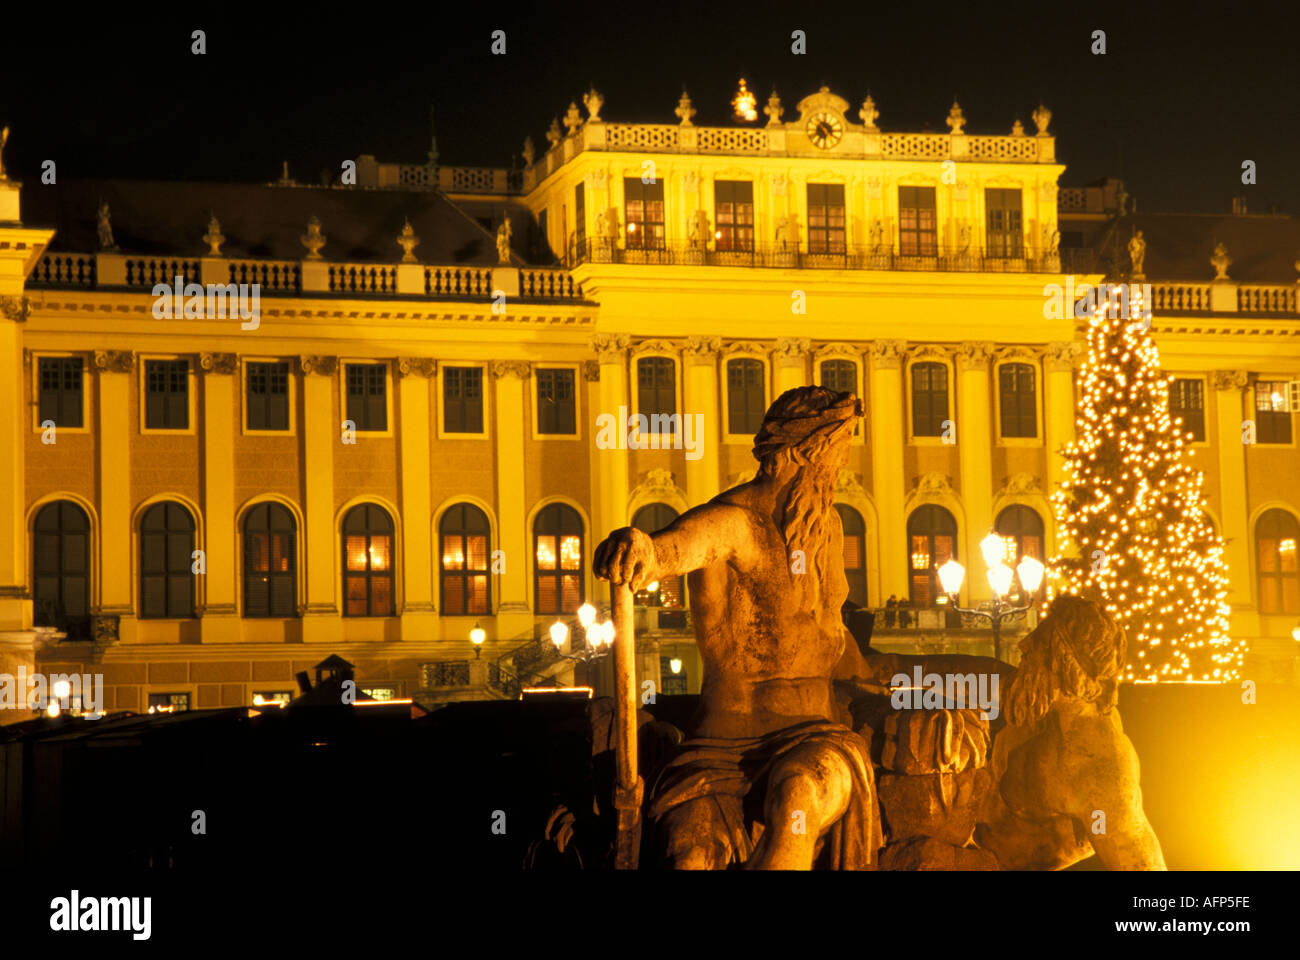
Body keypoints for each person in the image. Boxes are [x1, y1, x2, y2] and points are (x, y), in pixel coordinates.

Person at [594, 387, 882, 869]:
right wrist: (641, 549)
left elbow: (833, 636)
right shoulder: (735, 522)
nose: (842, 469)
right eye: (835, 456)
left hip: (816, 739)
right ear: (798, 453)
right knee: (689, 855)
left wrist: (891, 685)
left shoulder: (825, 528)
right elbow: (678, 548)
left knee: (797, 798)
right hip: (718, 752)